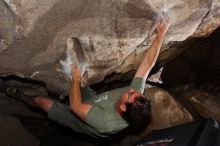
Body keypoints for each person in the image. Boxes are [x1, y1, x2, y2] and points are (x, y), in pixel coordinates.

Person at [7, 16, 170, 138]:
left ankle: (21, 96)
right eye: (135, 93)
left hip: (77, 118)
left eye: (129, 94)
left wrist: (76, 77)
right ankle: (65, 91)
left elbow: (76, 106)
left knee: (40, 101)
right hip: (95, 100)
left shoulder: (105, 122)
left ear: (122, 108)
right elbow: (148, 63)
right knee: (83, 88)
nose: (132, 90)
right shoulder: (135, 99)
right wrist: (161, 34)